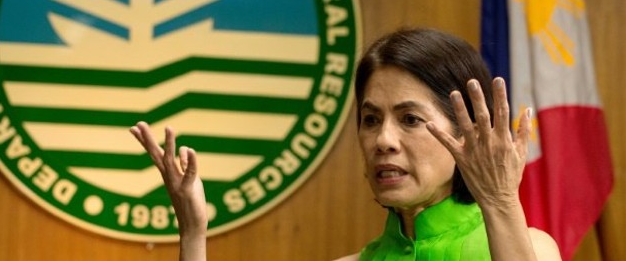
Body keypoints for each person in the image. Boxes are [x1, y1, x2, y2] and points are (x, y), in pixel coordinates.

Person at [130, 28, 562, 260]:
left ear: (465, 134)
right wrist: (193, 232)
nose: (383, 140)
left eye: (410, 119)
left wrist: (501, 200)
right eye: (371, 120)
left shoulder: (533, 249)